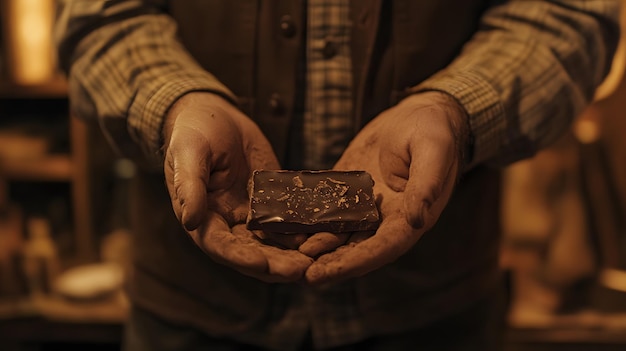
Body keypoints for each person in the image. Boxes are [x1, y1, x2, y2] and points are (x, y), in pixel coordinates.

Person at [55, 1, 620, 350]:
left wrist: (456, 108)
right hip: (191, 313)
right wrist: (177, 101)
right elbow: (101, 15)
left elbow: (567, 13)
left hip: (434, 312)